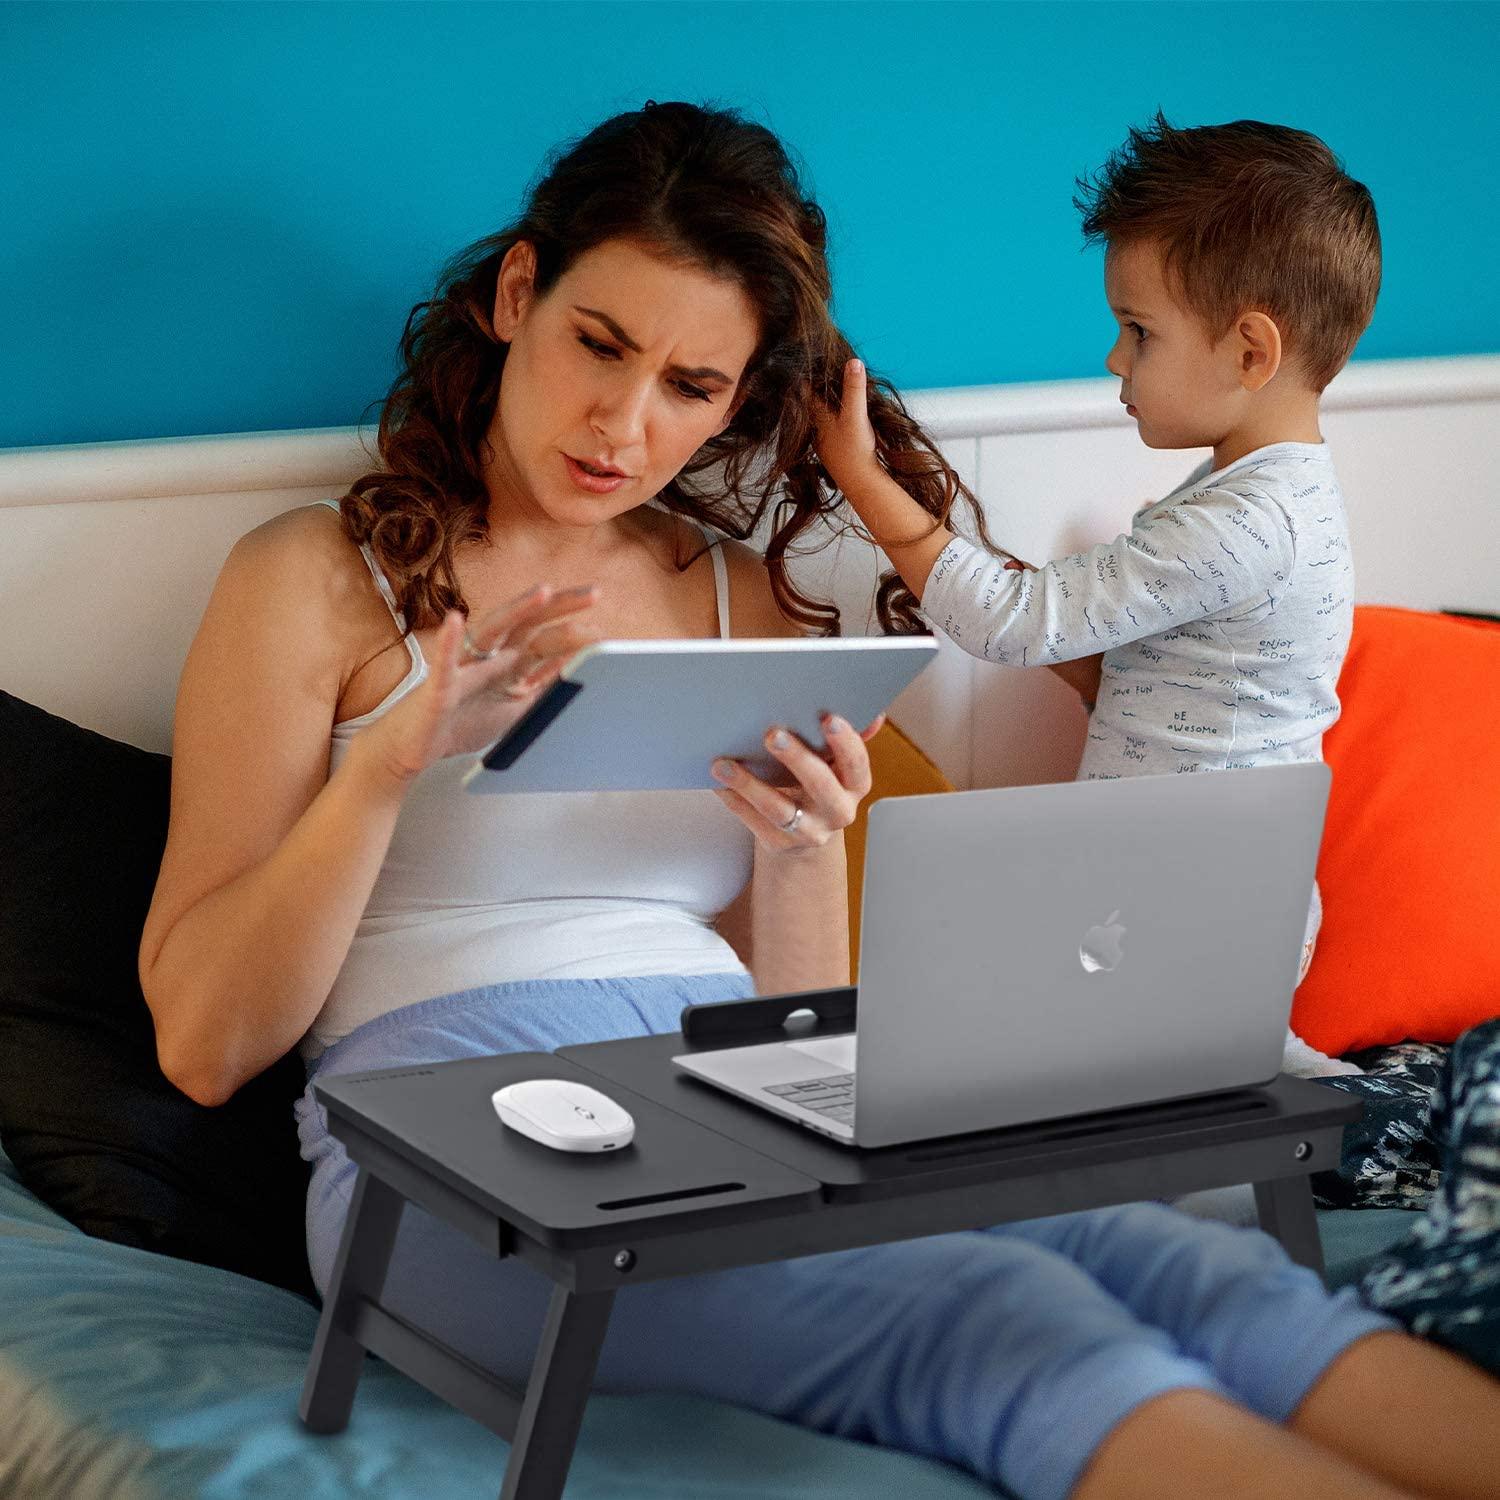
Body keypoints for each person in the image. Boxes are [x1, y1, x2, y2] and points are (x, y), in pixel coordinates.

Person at [138, 101, 1500, 1500]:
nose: (624, 424)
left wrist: (804, 851)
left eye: (694, 385)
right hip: (456, 1152)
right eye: (598, 346)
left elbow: (793, 1027)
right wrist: (387, 766)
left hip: (728, 1103)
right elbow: (206, 1044)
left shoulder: (737, 600)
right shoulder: (312, 580)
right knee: (998, 1328)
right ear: (516, 296)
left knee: (1175, 1262)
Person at [815, 114, 1380, 1080]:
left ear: (1251, 352)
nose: (1116, 359)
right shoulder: (1267, 496)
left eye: (1139, 330)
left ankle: (1320, 1116)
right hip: (1215, 886)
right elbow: (1121, 658)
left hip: (1192, 895)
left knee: (1082, 1071)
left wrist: (862, 478)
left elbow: (1010, 624)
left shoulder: (1241, 524)